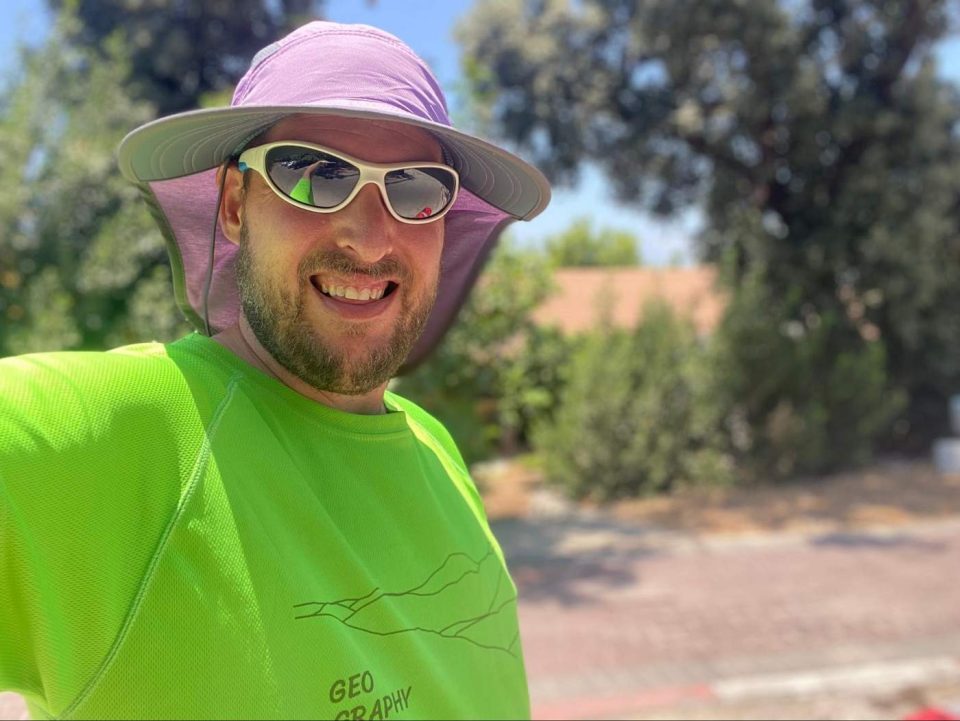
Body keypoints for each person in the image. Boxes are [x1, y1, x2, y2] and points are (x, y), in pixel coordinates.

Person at [0, 20, 550, 720]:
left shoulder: (434, 447)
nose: (370, 237)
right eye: (314, 174)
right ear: (235, 205)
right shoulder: (108, 437)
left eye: (415, 188)